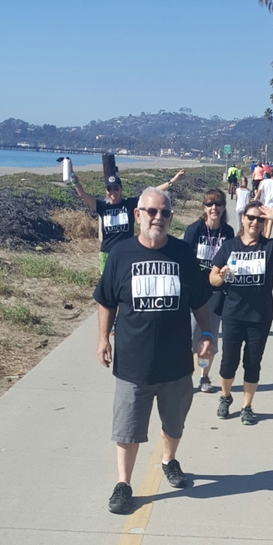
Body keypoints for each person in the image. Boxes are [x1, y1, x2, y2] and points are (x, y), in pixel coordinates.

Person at [94, 187, 213, 516]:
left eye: (164, 213)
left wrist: (205, 332)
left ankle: (168, 460)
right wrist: (104, 339)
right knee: (127, 428)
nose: (157, 218)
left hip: (176, 364)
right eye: (151, 212)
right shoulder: (121, 255)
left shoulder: (183, 254)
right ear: (138, 215)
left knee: (174, 424)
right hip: (132, 363)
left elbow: (201, 299)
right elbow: (106, 300)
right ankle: (123, 483)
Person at [208, 201, 273, 425]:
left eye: (260, 219)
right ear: (243, 219)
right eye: (251, 217)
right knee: (228, 362)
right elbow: (213, 278)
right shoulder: (229, 246)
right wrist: (223, 275)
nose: (255, 222)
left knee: (252, 363)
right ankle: (226, 396)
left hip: (260, 316)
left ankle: (247, 406)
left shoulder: (269, 246)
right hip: (233, 314)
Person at [70, 165, 186, 273]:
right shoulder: (102, 207)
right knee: (109, 286)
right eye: (109, 189)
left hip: (127, 251)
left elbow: (152, 192)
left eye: (116, 188)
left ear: (121, 189)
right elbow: (83, 195)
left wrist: (173, 181)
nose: (113, 192)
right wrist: (74, 179)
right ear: (106, 191)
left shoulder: (130, 204)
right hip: (107, 253)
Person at [183, 188, 235, 393]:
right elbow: (184, 259)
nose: (214, 208)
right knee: (188, 336)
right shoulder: (194, 229)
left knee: (209, 336)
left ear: (223, 207)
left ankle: (204, 377)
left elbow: (232, 257)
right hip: (195, 291)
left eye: (218, 204)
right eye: (210, 204)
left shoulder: (228, 232)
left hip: (217, 292)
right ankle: (185, 375)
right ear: (204, 207)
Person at [255, 168, 273, 237]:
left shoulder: (264, 182)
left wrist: (254, 201)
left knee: (264, 225)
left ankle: (264, 239)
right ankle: (267, 240)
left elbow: (259, 193)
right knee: (269, 227)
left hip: (264, 205)